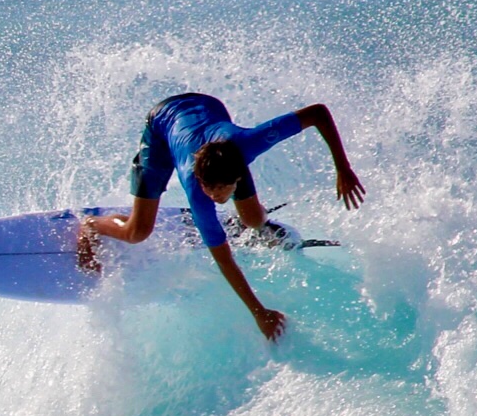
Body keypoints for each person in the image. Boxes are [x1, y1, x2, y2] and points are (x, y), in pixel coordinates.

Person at [76, 92, 365, 341]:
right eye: (209, 191)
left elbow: (317, 113)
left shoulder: (247, 144)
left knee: (253, 219)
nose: (214, 197)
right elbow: (224, 260)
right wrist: (258, 311)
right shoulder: (198, 189)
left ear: (238, 177)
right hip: (162, 127)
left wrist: (342, 167)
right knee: (137, 233)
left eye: (221, 192)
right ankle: (91, 226)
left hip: (207, 111)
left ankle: (248, 223)